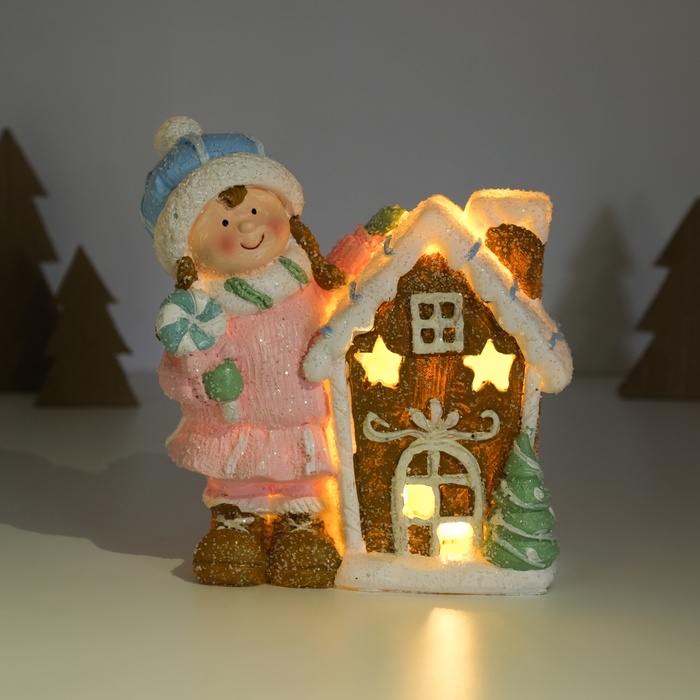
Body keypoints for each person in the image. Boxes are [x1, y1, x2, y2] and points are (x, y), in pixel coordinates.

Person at [141, 117, 380, 587]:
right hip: (239, 422)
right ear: (190, 247)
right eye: (225, 222)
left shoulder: (307, 278)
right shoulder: (204, 310)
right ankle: (237, 524)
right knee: (239, 477)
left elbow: (344, 279)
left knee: (300, 479)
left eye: (254, 210)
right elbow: (176, 371)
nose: (247, 225)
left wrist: (368, 242)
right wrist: (203, 381)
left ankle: (300, 527)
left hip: (300, 413)